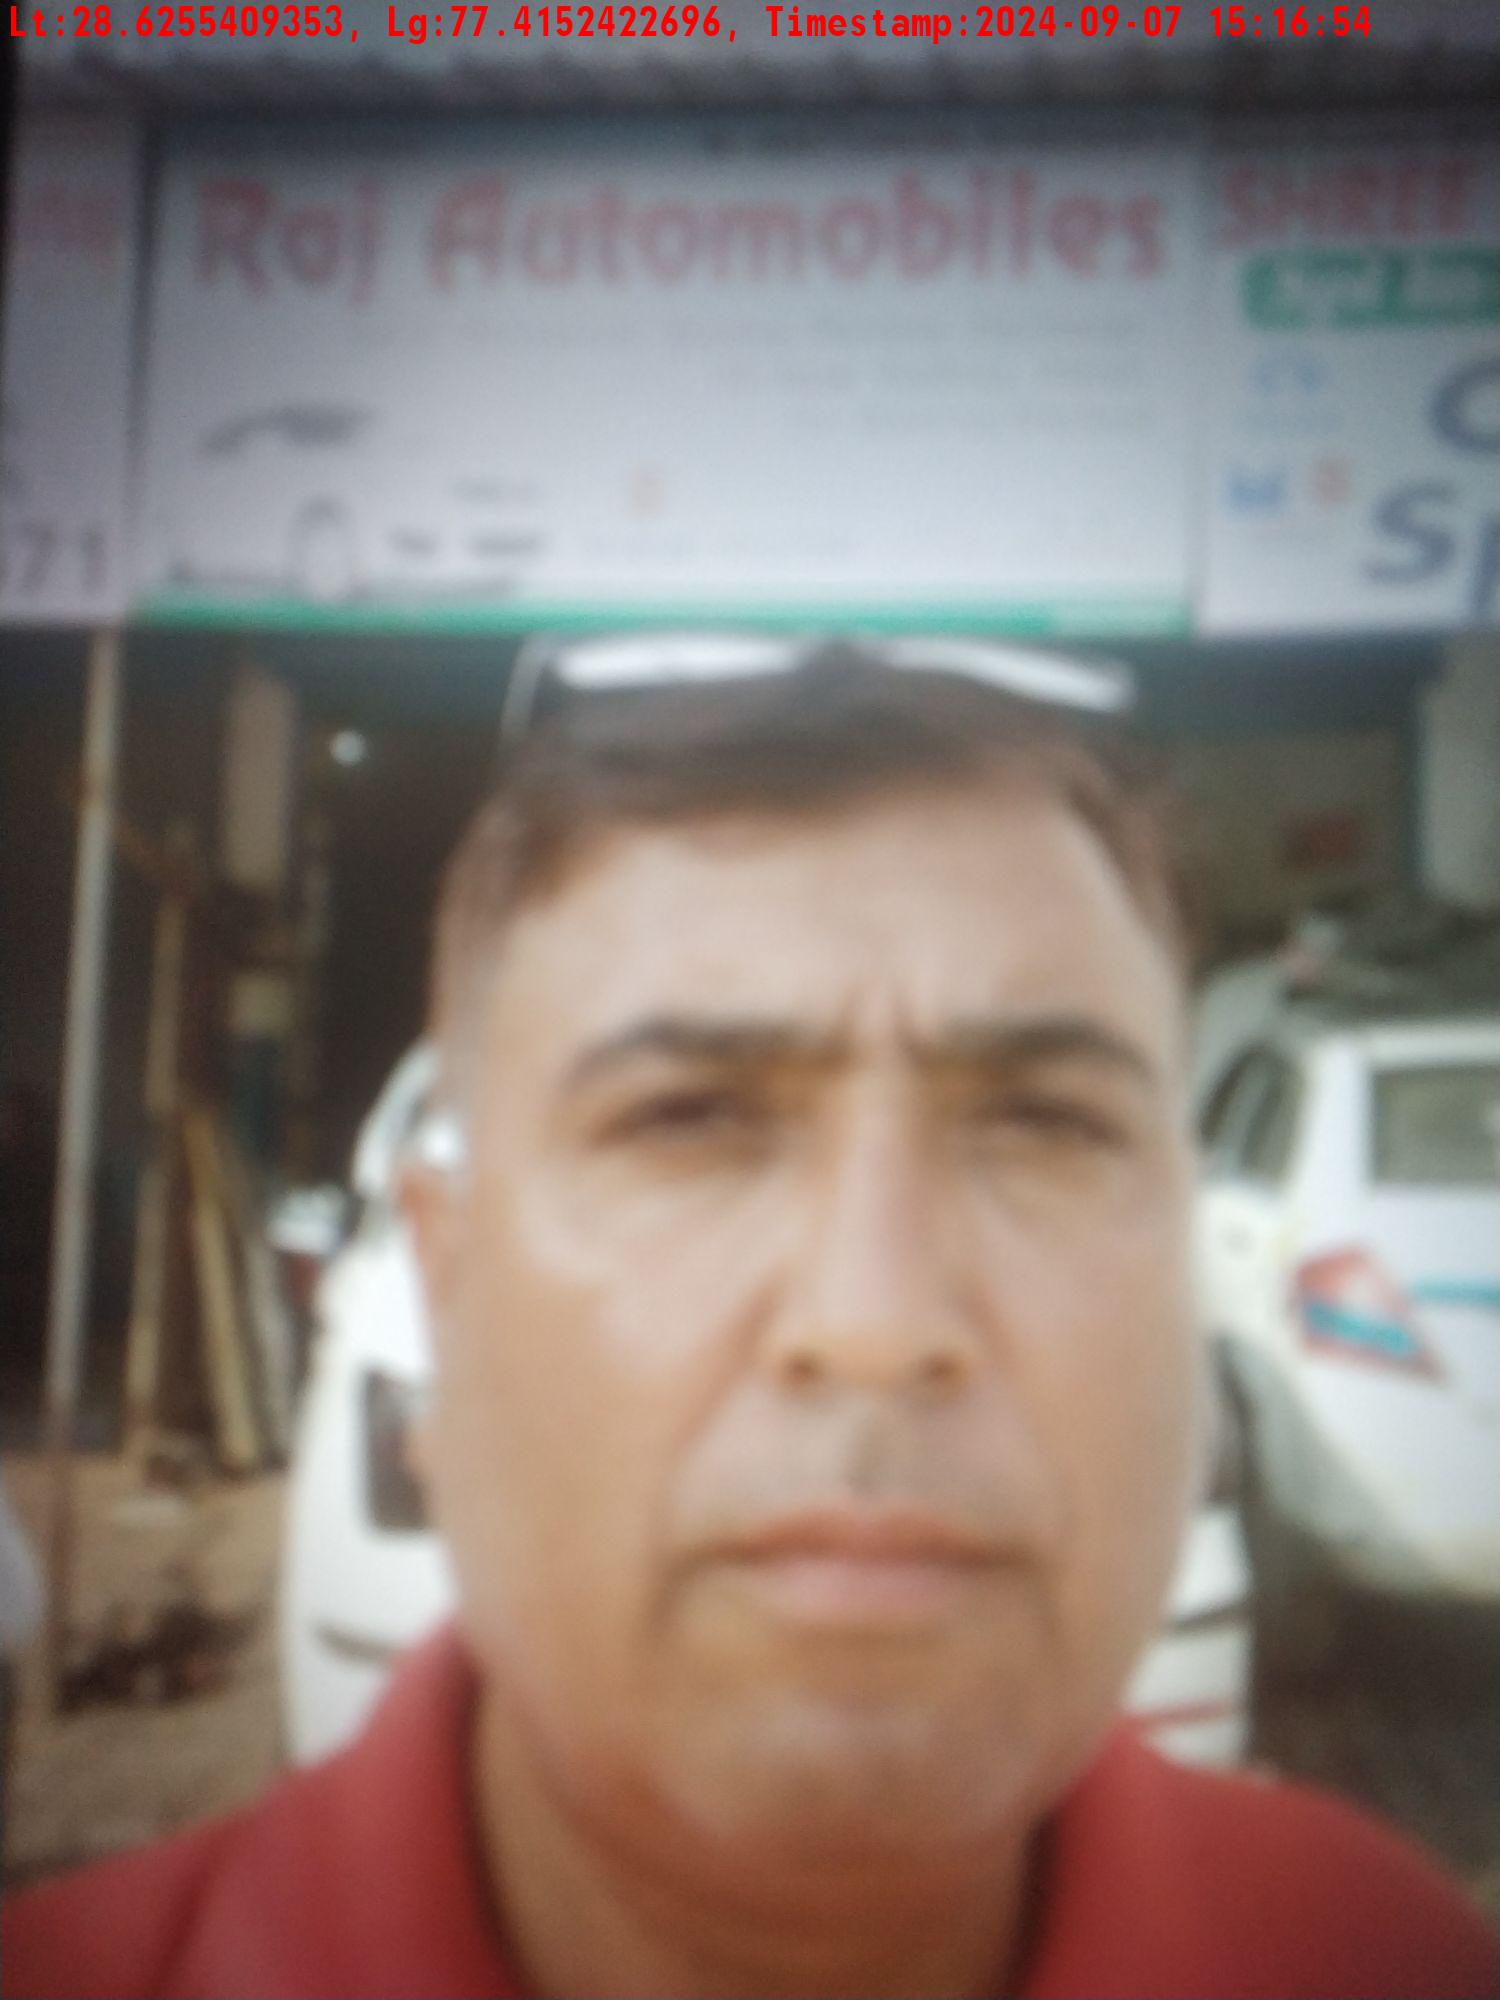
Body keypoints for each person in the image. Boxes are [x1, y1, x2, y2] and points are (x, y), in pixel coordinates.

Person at [4, 641, 1495, 2000]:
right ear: (443, 1291)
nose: (875, 1321)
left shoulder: (1381, 1956)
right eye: (687, 1121)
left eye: (1045, 1123)